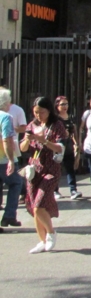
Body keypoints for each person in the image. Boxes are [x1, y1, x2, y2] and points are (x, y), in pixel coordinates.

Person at [19, 97, 66, 253]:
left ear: (49, 111)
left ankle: (51, 233)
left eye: (42, 112)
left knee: (39, 205)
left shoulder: (56, 125)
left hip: (51, 169)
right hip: (35, 169)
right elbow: (23, 148)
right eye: (36, 112)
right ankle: (42, 240)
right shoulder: (31, 125)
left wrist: (43, 140)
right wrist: (27, 140)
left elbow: (60, 148)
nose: (38, 115)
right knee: (34, 207)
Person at [0, 89, 21, 231]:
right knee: (16, 182)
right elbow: (6, 139)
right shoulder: (6, 117)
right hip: (3, 159)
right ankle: (9, 215)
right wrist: (11, 160)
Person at [54, 96, 81, 200]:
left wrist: (77, 143)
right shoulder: (55, 119)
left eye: (66, 104)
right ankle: (55, 190)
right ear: (57, 106)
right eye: (62, 104)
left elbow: (74, 130)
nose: (65, 106)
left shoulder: (70, 117)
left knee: (70, 168)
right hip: (58, 144)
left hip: (68, 144)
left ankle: (73, 190)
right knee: (57, 169)